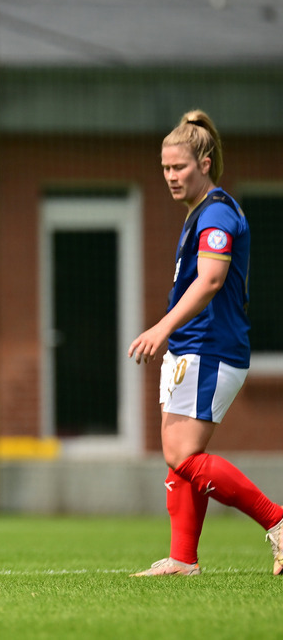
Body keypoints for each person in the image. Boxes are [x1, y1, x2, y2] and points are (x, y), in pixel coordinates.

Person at [128, 110, 283, 576]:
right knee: (182, 457)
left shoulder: (216, 211)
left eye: (180, 168)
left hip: (209, 347)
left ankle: (277, 521)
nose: (171, 177)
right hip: (195, 348)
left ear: (206, 163)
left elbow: (212, 279)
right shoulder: (202, 212)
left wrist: (163, 327)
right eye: (165, 168)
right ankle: (182, 559)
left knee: (181, 455)